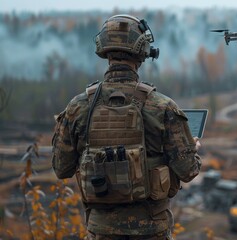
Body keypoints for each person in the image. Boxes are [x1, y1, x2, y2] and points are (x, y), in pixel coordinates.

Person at [51, 14, 202, 240]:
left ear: (104, 49)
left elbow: (61, 168)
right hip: (152, 230)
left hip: (101, 229)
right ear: (142, 51)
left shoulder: (78, 106)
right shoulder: (162, 106)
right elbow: (188, 171)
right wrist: (193, 149)